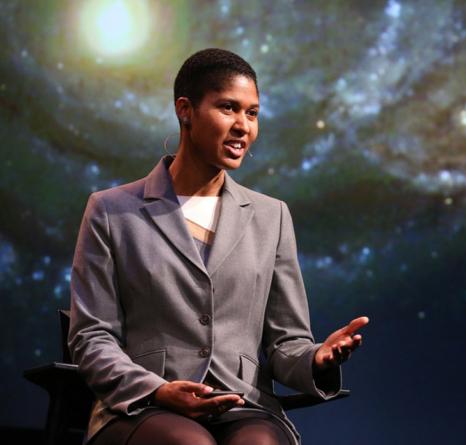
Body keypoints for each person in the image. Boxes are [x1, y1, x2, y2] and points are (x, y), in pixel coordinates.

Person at [68, 48, 369, 445]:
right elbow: (92, 337)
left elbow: (285, 343)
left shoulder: (271, 216)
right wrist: (157, 390)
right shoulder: (111, 210)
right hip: (144, 404)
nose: (243, 126)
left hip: (244, 404)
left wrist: (317, 359)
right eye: (228, 108)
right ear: (185, 110)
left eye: (253, 113)